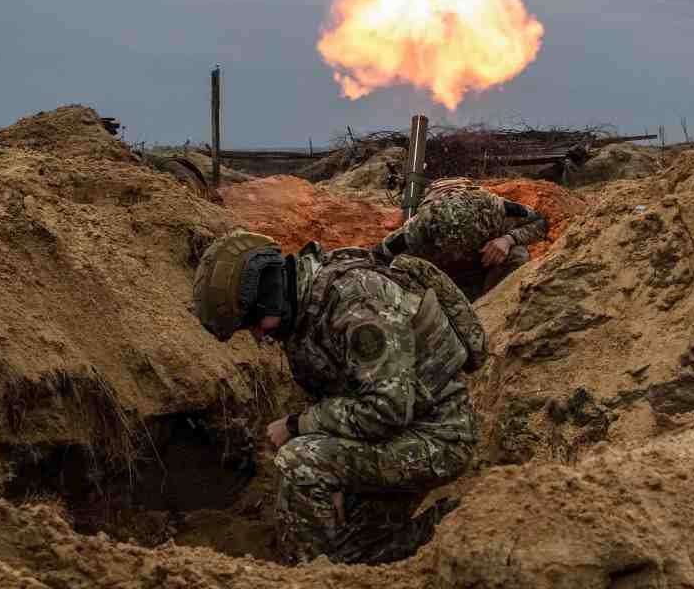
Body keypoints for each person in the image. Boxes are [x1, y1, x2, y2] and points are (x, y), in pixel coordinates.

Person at [192, 231, 480, 565]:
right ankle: (448, 529)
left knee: (301, 461)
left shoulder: (357, 304)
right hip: (395, 434)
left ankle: (310, 578)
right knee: (349, 552)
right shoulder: (305, 303)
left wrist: (298, 426)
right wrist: (338, 473)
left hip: (436, 436)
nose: (257, 336)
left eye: (252, 324)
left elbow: (386, 409)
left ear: (268, 295)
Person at [374, 177, 549, 300]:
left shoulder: (496, 209)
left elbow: (541, 222)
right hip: (441, 274)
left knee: (517, 255)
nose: (460, 252)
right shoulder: (417, 229)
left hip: (483, 264)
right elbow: (377, 256)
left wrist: (508, 239)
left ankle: (494, 304)